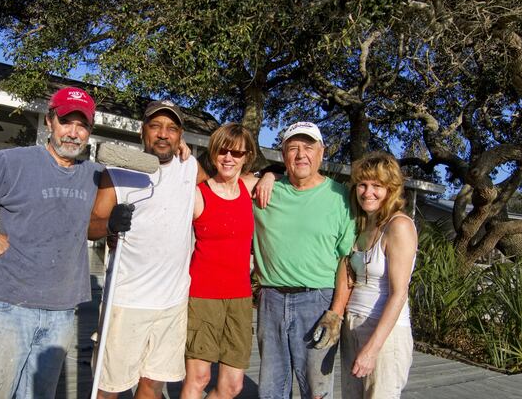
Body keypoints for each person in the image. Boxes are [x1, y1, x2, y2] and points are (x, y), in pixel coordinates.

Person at [0, 87, 103, 399]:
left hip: (62, 312)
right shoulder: (16, 162)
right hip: (8, 307)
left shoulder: (95, 176)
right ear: (49, 122)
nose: (73, 133)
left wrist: (183, 158)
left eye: (82, 126)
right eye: (67, 122)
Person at [88, 100, 208, 399]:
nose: (163, 134)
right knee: (110, 387)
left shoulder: (189, 166)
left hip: (172, 302)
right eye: (155, 126)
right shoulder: (117, 172)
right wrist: (111, 225)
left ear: (181, 136)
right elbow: (91, 227)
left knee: (153, 385)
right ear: (143, 131)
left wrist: (268, 175)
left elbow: (221, 186)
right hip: (126, 301)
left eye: (172, 128)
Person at [252, 121, 356, 399]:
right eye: (293, 148)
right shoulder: (264, 192)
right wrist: (267, 174)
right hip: (271, 301)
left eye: (308, 147)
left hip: (318, 302)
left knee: (317, 390)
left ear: (321, 152)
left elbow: (347, 261)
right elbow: (221, 178)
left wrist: (335, 312)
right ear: (283, 155)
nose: (301, 155)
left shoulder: (341, 197)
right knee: (271, 388)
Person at [180, 124, 260, 399]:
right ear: (213, 154)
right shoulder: (198, 193)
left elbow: (280, 177)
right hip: (203, 297)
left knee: (232, 386)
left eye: (236, 153)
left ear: (246, 156)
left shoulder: (249, 186)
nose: (229, 158)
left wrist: (271, 176)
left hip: (240, 298)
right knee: (198, 379)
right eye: (223, 151)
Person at [339, 152, 418, 399]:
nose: (367, 192)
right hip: (352, 324)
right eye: (362, 184)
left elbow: (399, 294)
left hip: (384, 333)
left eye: (377, 186)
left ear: (391, 190)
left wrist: (372, 349)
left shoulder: (399, 226)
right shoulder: (364, 224)